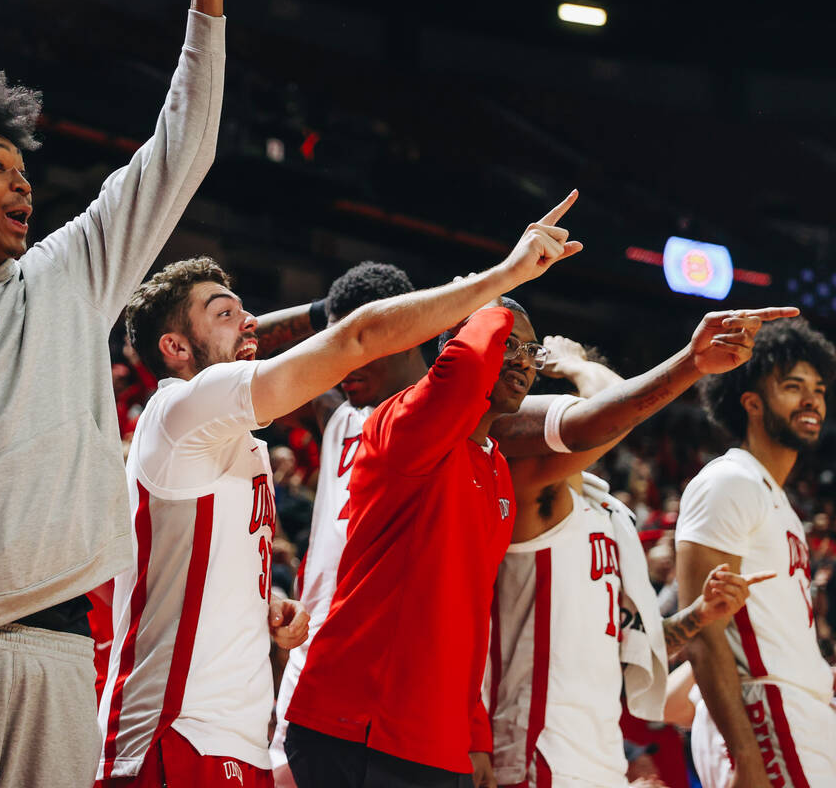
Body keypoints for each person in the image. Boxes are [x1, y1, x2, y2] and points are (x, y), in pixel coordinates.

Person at [0, 0, 228, 785]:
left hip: (64, 647)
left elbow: (181, 152)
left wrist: (208, 10)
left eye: (24, 172)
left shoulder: (69, 276)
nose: (23, 187)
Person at [98, 190, 578, 788]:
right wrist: (498, 283)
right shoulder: (182, 406)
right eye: (225, 313)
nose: (249, 321)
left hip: (238, 731)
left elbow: (191, 569)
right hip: (175, 730)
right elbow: (353, 340)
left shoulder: (241, 441)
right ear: (174, 348)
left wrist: (261, 605)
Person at [485, 320, 788, 788]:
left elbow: (628, 650)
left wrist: (699, 614)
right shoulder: (532, 491)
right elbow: (618, 409)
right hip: (531, 755)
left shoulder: (608, 513)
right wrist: (576, 367)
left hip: (602, 762)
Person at [264, 260, 423, 788]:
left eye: (363, 340)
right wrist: (327, 316)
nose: (344, 359)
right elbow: (246, 341)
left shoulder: (450, 414)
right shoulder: (342, 415)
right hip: (312, 660)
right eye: (339, 341)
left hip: (390, 684)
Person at [676, 318, 836, 787]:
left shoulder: (777, 499)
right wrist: (746, 754)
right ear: (752, 403)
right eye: (792, 387)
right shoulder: (730, 481)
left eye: (818, 389)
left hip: (801, 711)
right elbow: (702, 631)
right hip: (764, 715)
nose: (812, 400)